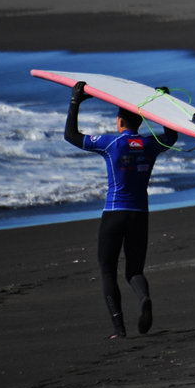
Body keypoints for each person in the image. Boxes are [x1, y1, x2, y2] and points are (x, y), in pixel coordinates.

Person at [64, 82, 177, 338]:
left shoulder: (110, 144)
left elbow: (71, 136)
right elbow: (172, 136)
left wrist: (75, 101)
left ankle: (119, 329)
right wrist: (164, 104)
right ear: (139, 122)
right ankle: (144, 297)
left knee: (107, 271)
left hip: (114, 214)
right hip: (140, 215)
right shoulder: (151, 145)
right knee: (134, 270)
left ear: (119, 122)